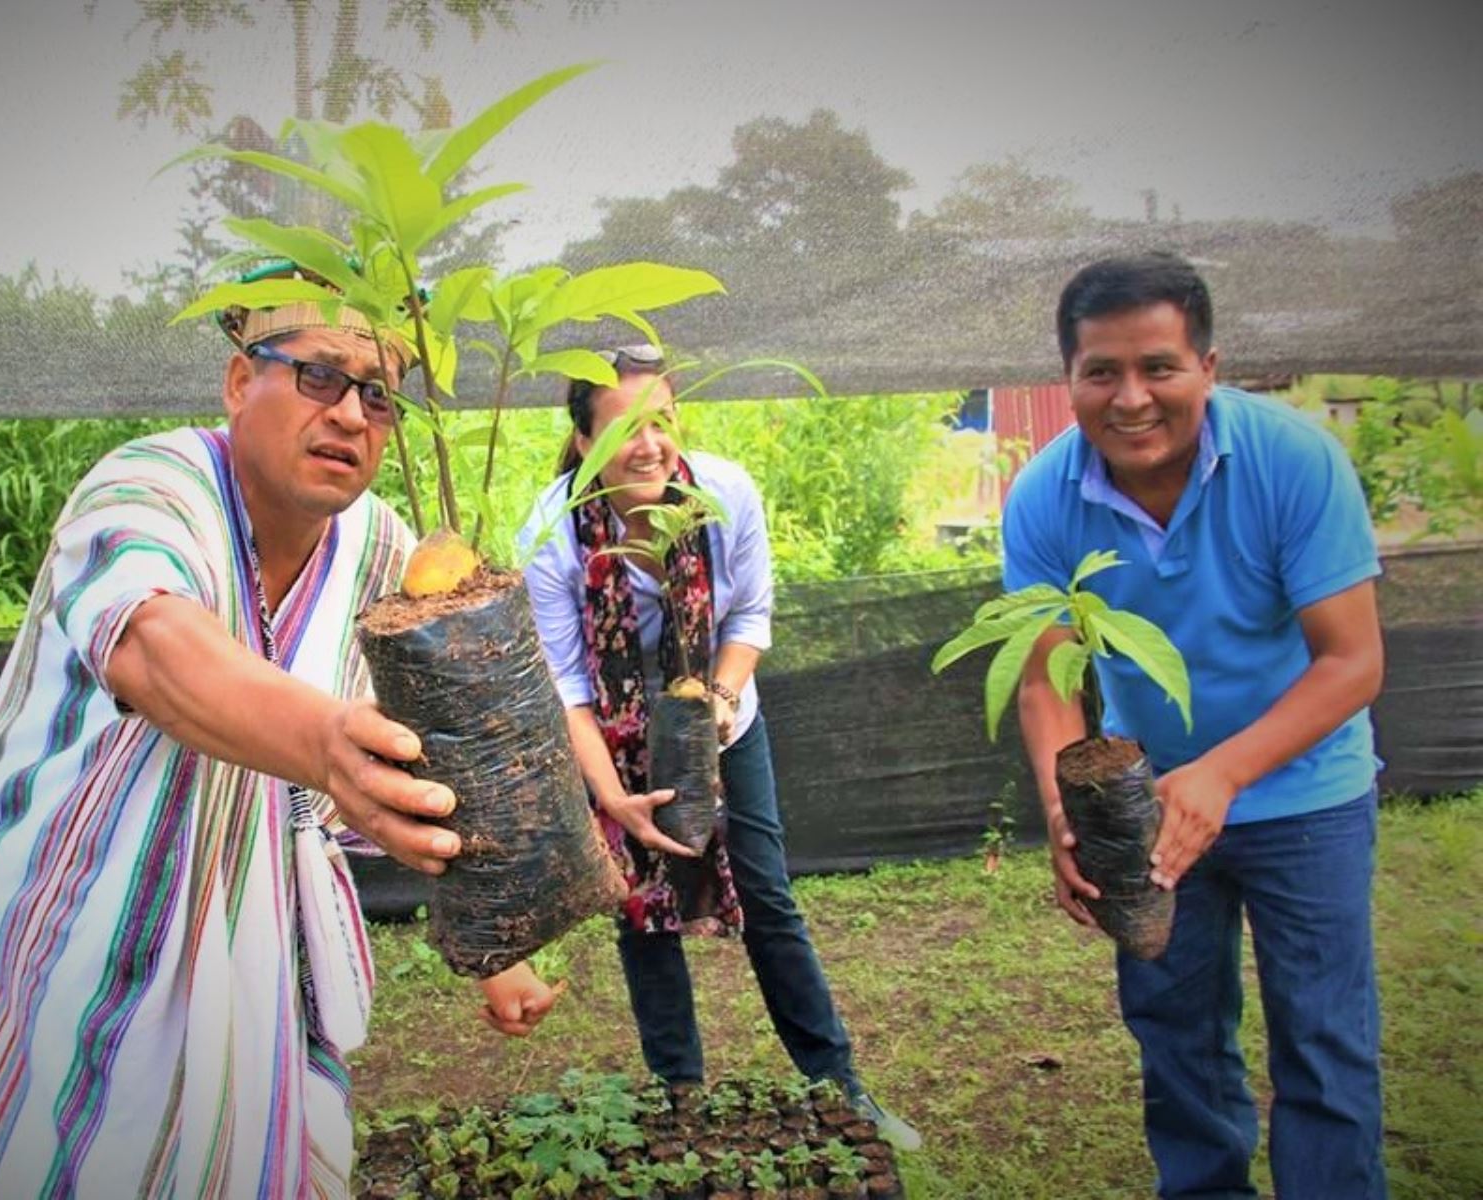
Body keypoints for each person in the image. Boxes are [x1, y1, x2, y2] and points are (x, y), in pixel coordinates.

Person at [0, 269, 559, 1199]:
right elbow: (153, 644)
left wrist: (505, 936)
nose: (349, 416)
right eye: (319, 376)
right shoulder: (151, 484)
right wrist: (327, 744)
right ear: (235, 382)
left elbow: (424, 732)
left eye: (377, 395)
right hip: (80, 918)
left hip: (258, 931)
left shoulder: (377, 542)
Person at [1004, 252, 1387, 1198]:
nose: (1130, 398)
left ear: (1208, 367)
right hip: (1146, 808)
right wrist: (1065, 808)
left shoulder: (1293, 462)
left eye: (1159, 367)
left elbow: (1353, 661)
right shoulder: (1044, 498)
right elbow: (1047, 676)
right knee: (1175, 1035)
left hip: (1307, 794)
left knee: (1324, 1040)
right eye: (1101, 372)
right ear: (1069, 381)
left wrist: (1222, 775)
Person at [518, 345, 920, 1152]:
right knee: (643, 916)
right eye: (624, 427)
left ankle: (839, 1088)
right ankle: (679, 1101)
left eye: (662, 420)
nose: (650, 444)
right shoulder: (555, 534)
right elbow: (567, 688)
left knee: (768, 896)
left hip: (727, 719)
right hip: (618, 736)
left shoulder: (724, 494)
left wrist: (719, 706)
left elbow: (750, 620)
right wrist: (615, 801)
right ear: (583, 442)